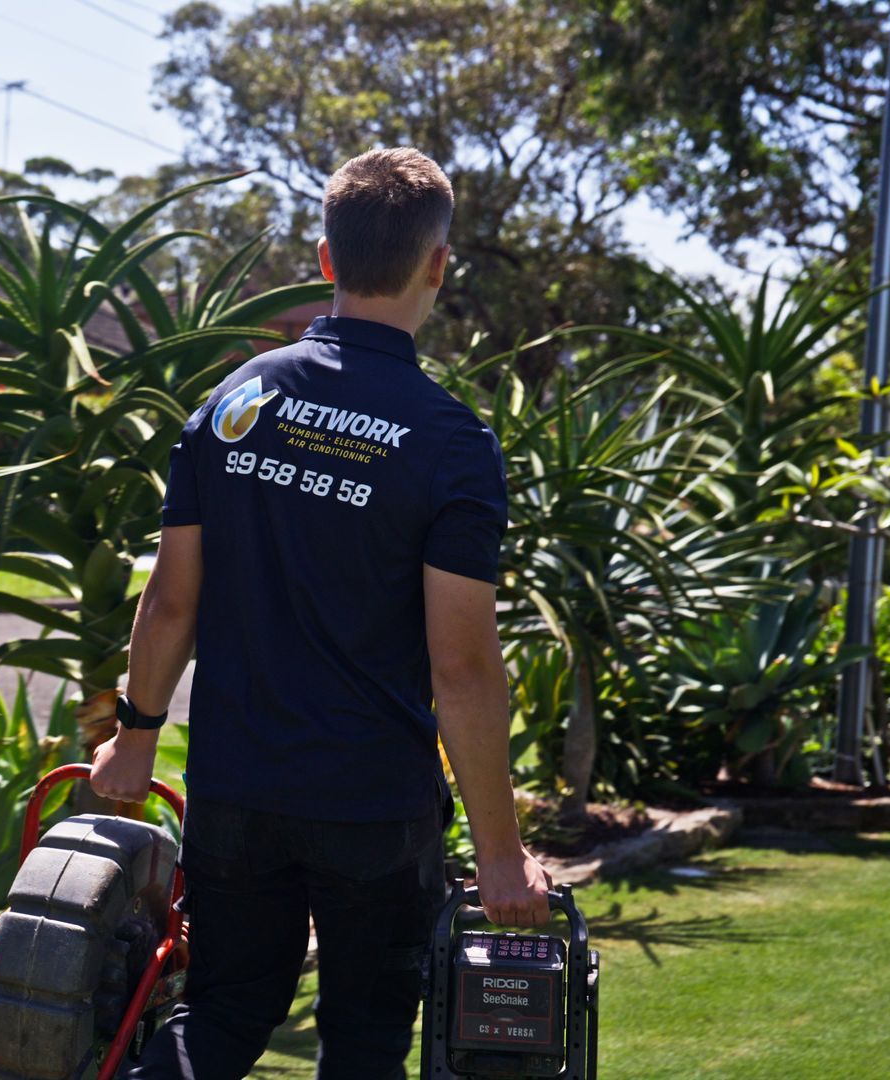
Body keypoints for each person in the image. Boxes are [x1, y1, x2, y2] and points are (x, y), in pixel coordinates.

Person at [90, 146, 552, 1080]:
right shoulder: (453, 444)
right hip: (372, 810)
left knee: (220, 1015)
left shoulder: (238, 401)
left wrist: (136, 740)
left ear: (328, 259)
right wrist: (500, 856)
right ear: (438, 265)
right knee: (368, 1044)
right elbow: (462, 669)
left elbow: (171, 598)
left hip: (236, 792)